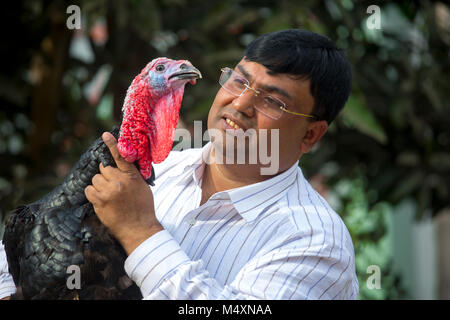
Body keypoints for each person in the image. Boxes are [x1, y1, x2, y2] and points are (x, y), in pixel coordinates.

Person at [0, 29, 358, 300]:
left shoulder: (316, 242)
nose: (241, 104)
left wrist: (140, 231)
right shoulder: (159, 169)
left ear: (310, 134)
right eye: (239, 81)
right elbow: (19, 257)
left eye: (274, 101)